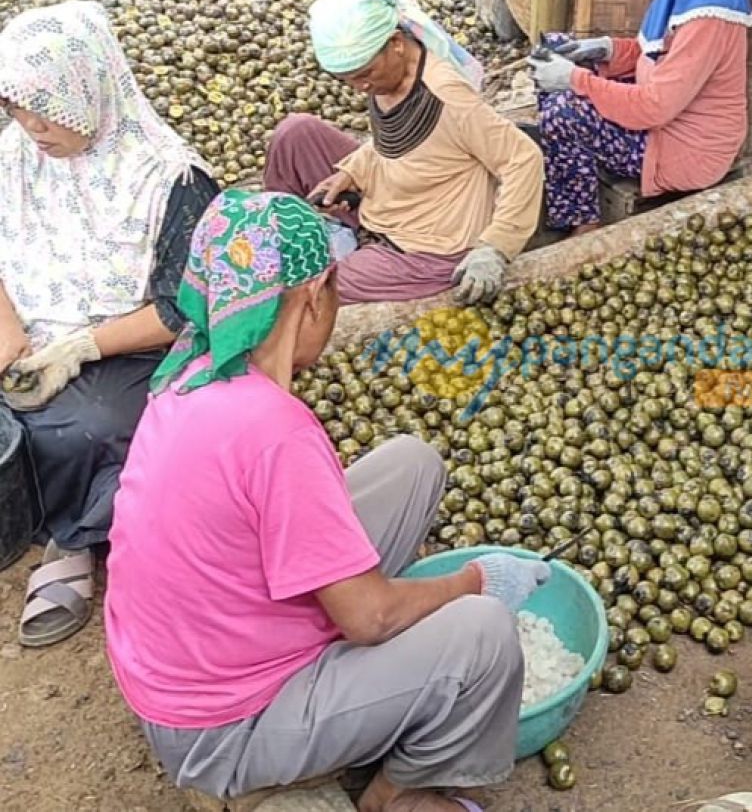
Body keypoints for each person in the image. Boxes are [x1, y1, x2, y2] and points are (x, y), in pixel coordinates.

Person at [105, 191, 550, 812]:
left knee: (411, 463)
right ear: (314, 297)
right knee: (483, 633)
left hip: (185, 662)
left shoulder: (191, 375)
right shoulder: (275, 431)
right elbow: (371, 619)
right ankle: (402, 792)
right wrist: (477, 580)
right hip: (221, 727)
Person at [0, 1, 217, 648]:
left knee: (89, 428)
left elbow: (184, 307)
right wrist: (11, 336)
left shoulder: (169, 177)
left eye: (49, 107)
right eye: (15, 104)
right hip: (30, 330)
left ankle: (72, 540)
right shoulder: (12, 158)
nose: (32, 124)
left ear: (91, 89)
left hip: (128, 347)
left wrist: (80, 347)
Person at [263, 0, 542, 306]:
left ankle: (353, 258)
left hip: (428, 245)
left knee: (313, 292)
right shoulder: (388, 79)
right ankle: (278, 236)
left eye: (364, 74)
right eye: (349, 80)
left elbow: (523, 158)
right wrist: (352, 173)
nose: (360, 87)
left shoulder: (447, 96)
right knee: (295, 133)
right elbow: (395, 144)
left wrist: (495, 248)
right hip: (390, 199)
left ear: (396, 42)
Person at [527, 0, 752, 236]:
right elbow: (657, 55)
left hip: (684, 149)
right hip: (667, 115)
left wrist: (576, 80)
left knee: (563, 112)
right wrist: (607, 50)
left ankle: (583, 223)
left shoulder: (710, 13)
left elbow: (655, 106)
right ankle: (572, 171)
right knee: (557, 47)